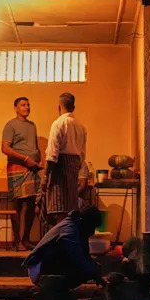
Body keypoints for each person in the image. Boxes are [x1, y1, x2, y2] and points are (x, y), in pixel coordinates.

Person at [21, 206, 107, 289]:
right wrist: (94, 272)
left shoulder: (78, 227)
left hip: (45, 267)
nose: (92, 232)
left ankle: (60, 292)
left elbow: (84, 255)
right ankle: (53, 290)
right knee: (84, 269)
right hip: (39, 270)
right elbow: (77, 256)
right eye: (92, 227)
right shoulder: (70, 229)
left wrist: (95, 269)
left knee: (90, 267)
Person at [37, 92, 87, 228]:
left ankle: (60, 242)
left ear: (59, 107)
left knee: (59, 210)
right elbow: (82, 155)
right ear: (73, 107)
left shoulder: (58, 124)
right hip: (74, 169)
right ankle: (68, 240)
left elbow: (52, 155)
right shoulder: (81, 127)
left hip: (60, 168)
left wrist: (45, 177)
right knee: (70, 210)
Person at [1, 96, 42, 251]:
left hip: (32, 169)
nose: (26, 107)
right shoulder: (10, 125)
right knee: (17, 204)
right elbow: (5, 148)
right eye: (23, 105)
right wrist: (25, 158)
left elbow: (35, 147)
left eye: (28, 105)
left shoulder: (32, 125)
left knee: (31, 204)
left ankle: (26, 239)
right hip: (17, 167)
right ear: (16, 108)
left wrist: (39, 160)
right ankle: (17, 241)